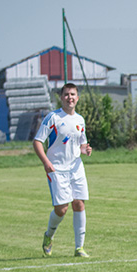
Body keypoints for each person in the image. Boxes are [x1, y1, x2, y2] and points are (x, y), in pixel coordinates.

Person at [33, 83, 92, 257]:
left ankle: (79, 248)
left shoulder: (80, 120)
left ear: (77, 98)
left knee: (79, 203)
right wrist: (46, 162)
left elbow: (81, 144)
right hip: (57, 169)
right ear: (61, 97)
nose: (70, 97)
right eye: (66, 94)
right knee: (61, 209)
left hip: (76, 168)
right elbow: (37, 142)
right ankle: (48, 236)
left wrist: (86, 150)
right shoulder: (53, 118)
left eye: (73, 94)